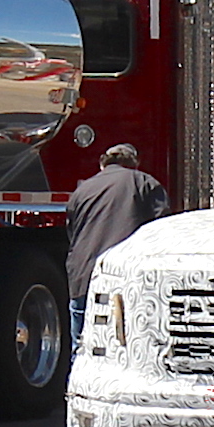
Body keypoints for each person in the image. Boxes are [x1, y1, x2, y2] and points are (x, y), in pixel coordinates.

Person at [66, 143, 169, 347]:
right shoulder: (144, 182)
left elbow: (72, 232)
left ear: (103, 164)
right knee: (126, 346)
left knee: (81, 345)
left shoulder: (82, 190)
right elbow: (161, 229)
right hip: (126, 278)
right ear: (134, 164)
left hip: (82, 277)